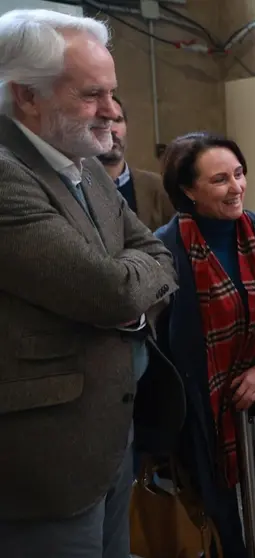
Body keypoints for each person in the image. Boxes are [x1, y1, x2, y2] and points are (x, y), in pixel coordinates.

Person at [0, 9, 178, 557]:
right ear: (27, 95)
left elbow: (157, 252)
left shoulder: (84, 162)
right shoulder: (8, 175)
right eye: (91, 94)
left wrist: (127, 282)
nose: (111, 111)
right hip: (47, 460)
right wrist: (129, 286)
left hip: (105, 435)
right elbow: (113, 292)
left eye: (112, 92)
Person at [154, 132, 255, 558]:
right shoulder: (164, 249)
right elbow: (161, 340)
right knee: (217, 514)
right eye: (220, 179)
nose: (237, 187)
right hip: (200, 411)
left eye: (239, 173)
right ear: (188, 190)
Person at [97, 94, 175, 231]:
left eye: (117, 120)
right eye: (102, 120)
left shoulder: (159, 187)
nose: (112, 129)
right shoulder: (73, 189)